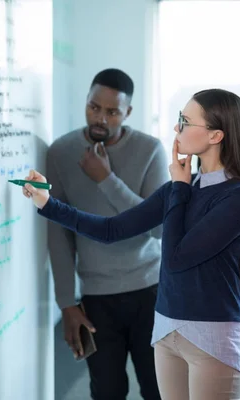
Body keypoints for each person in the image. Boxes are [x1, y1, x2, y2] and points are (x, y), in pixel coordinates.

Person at [24, 88, 240, 400]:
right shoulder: (180, 188)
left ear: (216, 135)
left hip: (212, 335)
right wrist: (46, 203)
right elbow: (112, 230)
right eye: (180, 119)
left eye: (186, 122)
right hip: (166, 331)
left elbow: (176, 258)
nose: (177, 129)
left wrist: (179, 186)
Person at [47, 68, 168, 400]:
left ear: (127, 112)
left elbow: (159, 228)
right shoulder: (60, 152)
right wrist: (66, 303)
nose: (100, 118)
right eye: (93, 107)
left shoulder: (150, 150)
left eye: (112, 111)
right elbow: (58, 233)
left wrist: (106, 180)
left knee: (158, 388)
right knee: (106, 391)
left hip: (151, 292)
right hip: (96, 299)